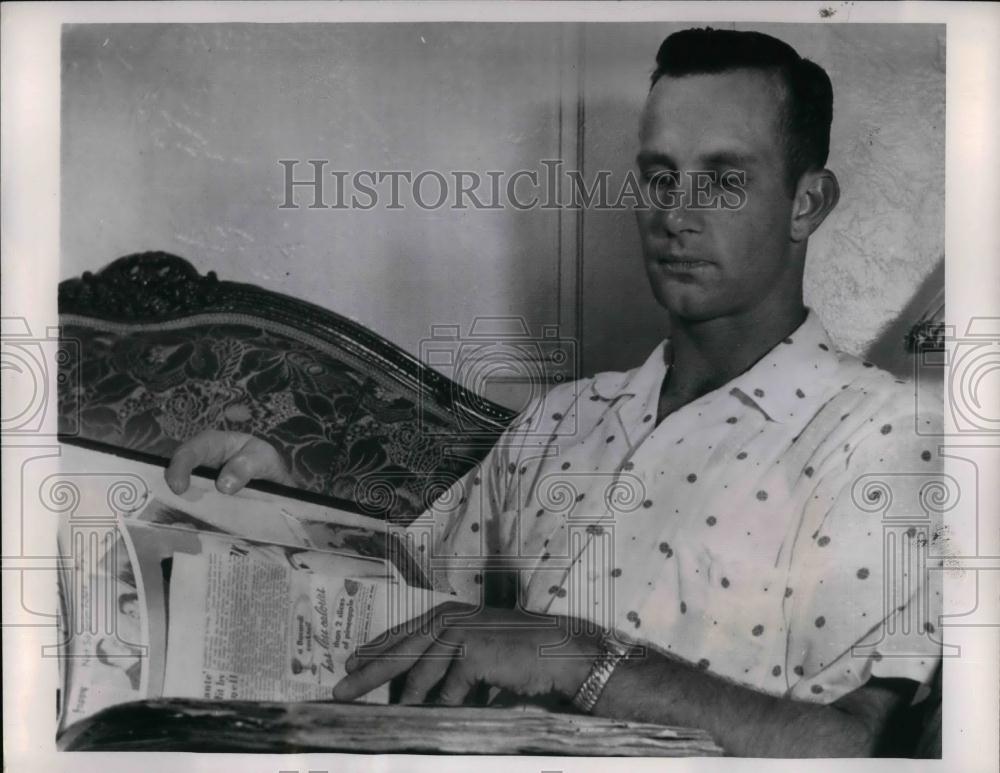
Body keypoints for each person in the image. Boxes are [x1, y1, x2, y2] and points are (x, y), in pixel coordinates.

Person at [164, 28, 943, 757]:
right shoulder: (563, 417)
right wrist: (275, 494)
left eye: (725, 180)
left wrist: (575, 655)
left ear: (807, 202)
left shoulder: (881, 435)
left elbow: (859, 748)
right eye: (660, 177)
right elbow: (399, 597)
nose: (677, 214)